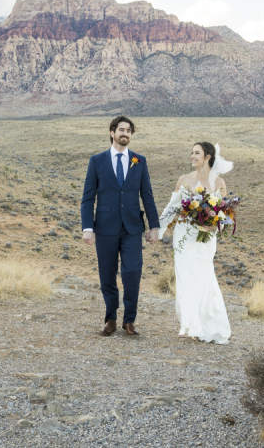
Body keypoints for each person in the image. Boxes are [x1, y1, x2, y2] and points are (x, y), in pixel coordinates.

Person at [81, 116, 160, 337]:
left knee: (132, 273)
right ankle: (110, 319)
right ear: (112, 133)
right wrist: (87, 227)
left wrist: (154, 226)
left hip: (132, 227)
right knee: (107, 274)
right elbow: (88, 198)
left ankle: (130, 320)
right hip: (105, 227)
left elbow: (147, 195)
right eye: (121, 130)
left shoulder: (139, 161)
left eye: (128, 131)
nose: (125, 134)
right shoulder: (97, 161)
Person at [158, 142, 232, 344]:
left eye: (196, 153)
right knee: (184, 277)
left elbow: (223, 212)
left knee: (204, 276)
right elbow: (172, 208)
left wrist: (214, 225)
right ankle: (188, 323)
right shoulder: (184, 180)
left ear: (208, 157)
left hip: (205, 238)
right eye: (191, 153)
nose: (192, 156)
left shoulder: (219, 183)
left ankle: (207, 323)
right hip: (184, 235)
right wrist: (158, 229)